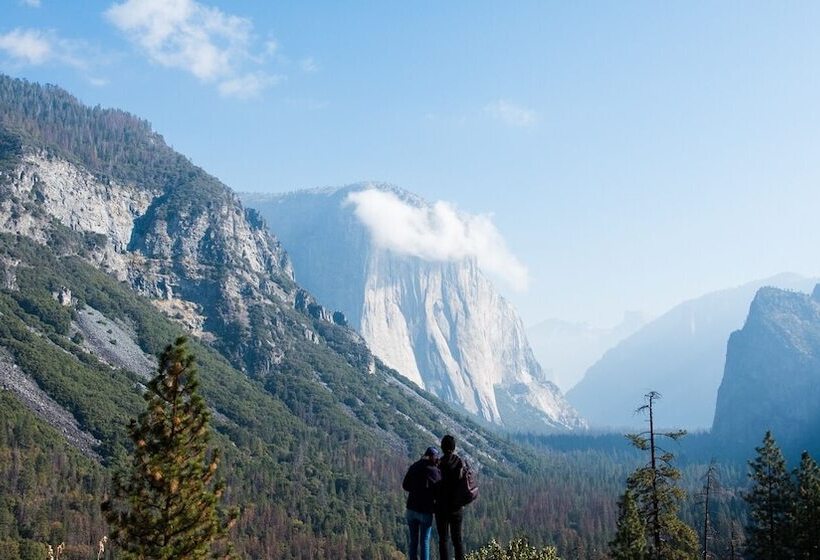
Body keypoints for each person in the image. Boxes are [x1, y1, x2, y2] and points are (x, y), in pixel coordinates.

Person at [403, 446, 442, 560]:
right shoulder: (435, 472)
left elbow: (405, 485)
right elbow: (439, 492)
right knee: (424, 541)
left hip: (411, 508)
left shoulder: (414, 466)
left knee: (413, 541)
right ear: (434, 458)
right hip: (425, 510)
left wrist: (415, 489)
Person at [435, 434, 466, 560]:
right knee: (457, 540)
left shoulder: (439, 463)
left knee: (443, 539)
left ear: (442, 447)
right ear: (454, 447)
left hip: (441, 506)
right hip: (456, 506)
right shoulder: (459, 462)